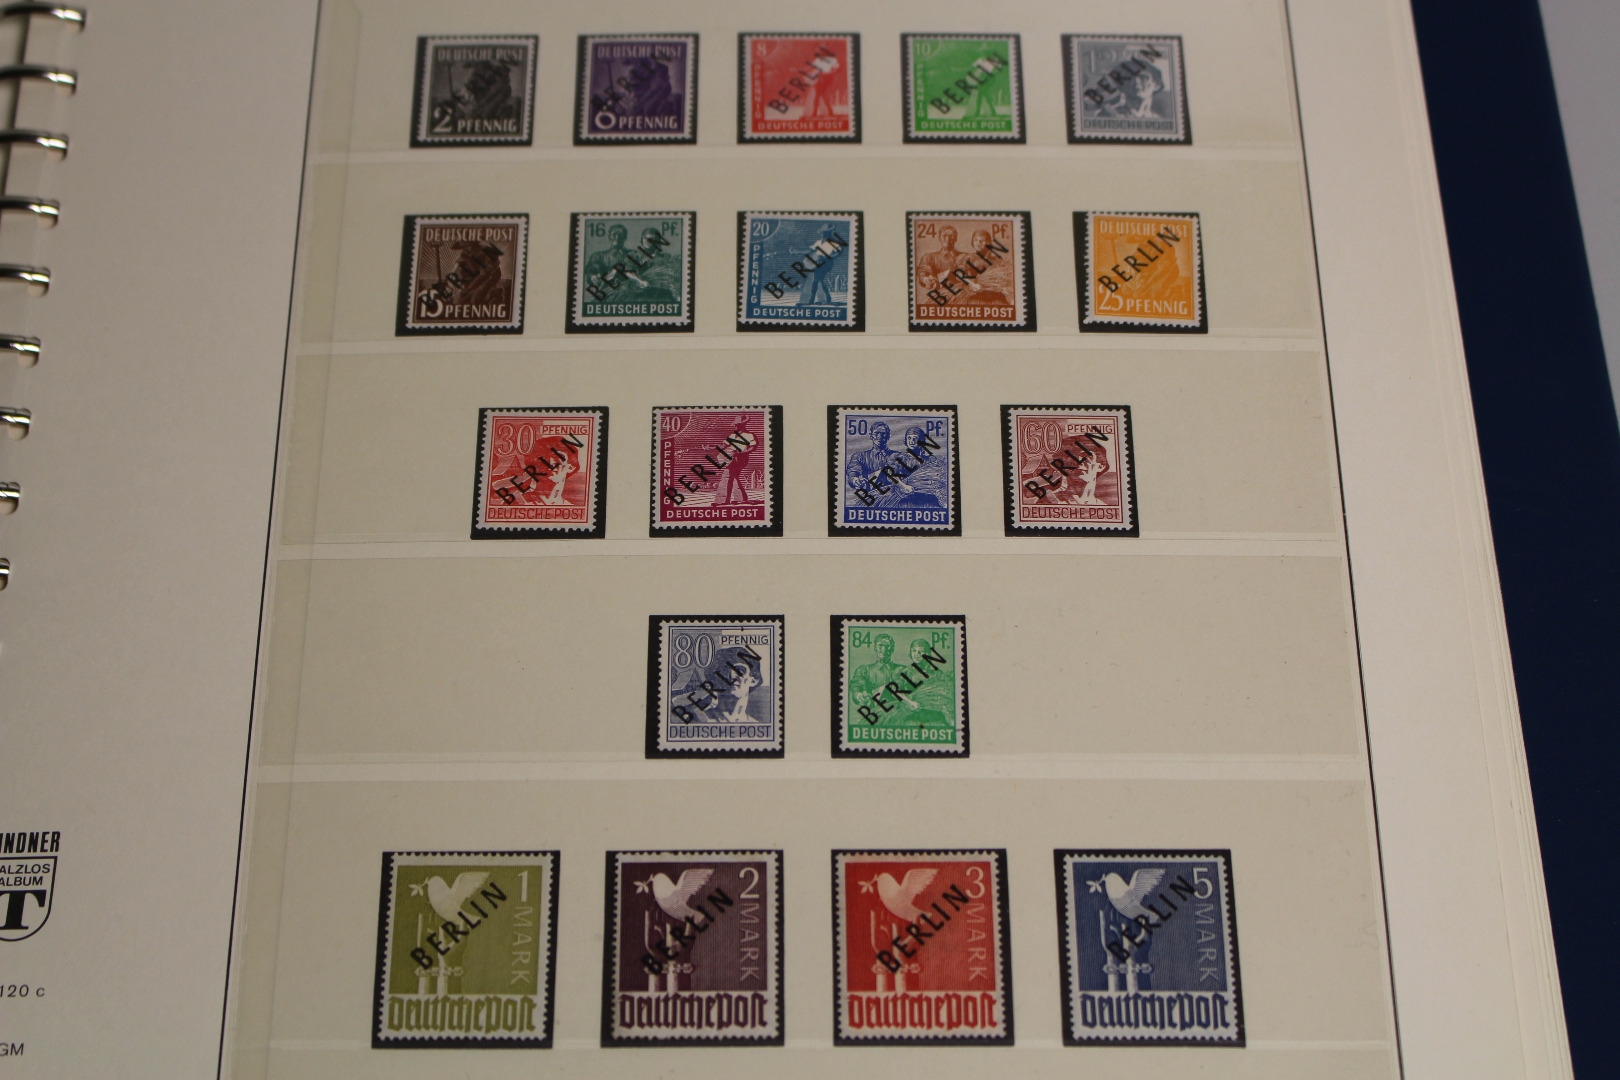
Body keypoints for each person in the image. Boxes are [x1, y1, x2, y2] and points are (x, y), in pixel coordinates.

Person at [848, 633, 901, 719]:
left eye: (887, 646)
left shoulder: (903, 670)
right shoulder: (864, 670)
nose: (883, 650)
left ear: (892, 649)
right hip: (873, 717)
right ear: (875, 648)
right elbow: (857, 685)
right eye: (880, 646)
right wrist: (858, 695)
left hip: (898, 716)